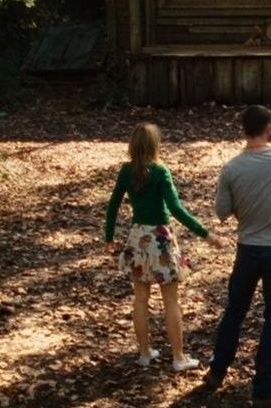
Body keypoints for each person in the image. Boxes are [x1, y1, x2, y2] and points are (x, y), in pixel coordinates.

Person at [104, 122, 227, 371]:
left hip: (138, 236)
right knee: (171, 300)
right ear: (154, 145)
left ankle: (144, 353)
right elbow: (176, 209)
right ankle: (178, 357)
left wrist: (109, 237)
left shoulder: (126, 171)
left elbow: (113, 205)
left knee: (140, 299)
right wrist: (206, 234)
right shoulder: (160, 171)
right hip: (160, 237)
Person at [205, 105, 271, 407]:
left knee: (235, 310)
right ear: (268, 129)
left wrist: (242, 209)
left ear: (243, 130)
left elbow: (221, 212)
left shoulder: (232, 168)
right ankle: (265, 387)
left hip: (247, 248)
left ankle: (217, 370)